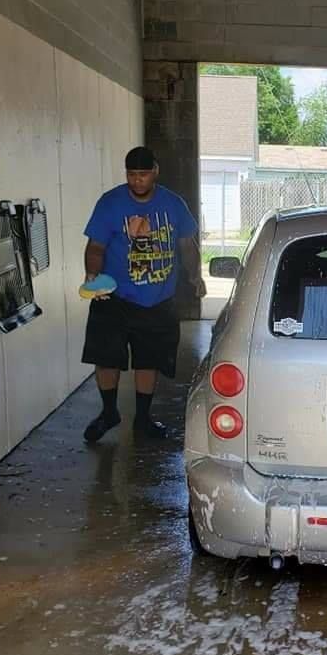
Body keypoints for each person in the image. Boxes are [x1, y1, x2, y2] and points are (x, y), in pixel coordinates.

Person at [80, 146, 205, 442]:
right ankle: (109, 412)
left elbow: (187, 246)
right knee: (107, 357)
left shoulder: (173, 205)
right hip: (114, 296)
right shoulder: (110, 203)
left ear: (155, 172)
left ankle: (143, 418)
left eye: (143, 174)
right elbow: (95, 247)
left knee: (149, 360)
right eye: (132, 175)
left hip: (157, 298)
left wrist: (195, 276)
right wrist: (92, 275)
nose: (137, 181)